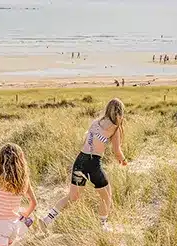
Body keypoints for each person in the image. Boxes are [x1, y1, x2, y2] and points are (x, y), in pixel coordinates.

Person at [42, 98, 128, 228]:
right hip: (93, 163)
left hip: (80, 160)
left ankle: (47, 219)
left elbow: (85, 142)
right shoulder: (115, 128)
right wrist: (123, 160)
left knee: (72, 196)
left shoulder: (95, 122)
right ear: (120, 112)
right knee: (106, 196)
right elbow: (117, 151)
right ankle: (102, 227)